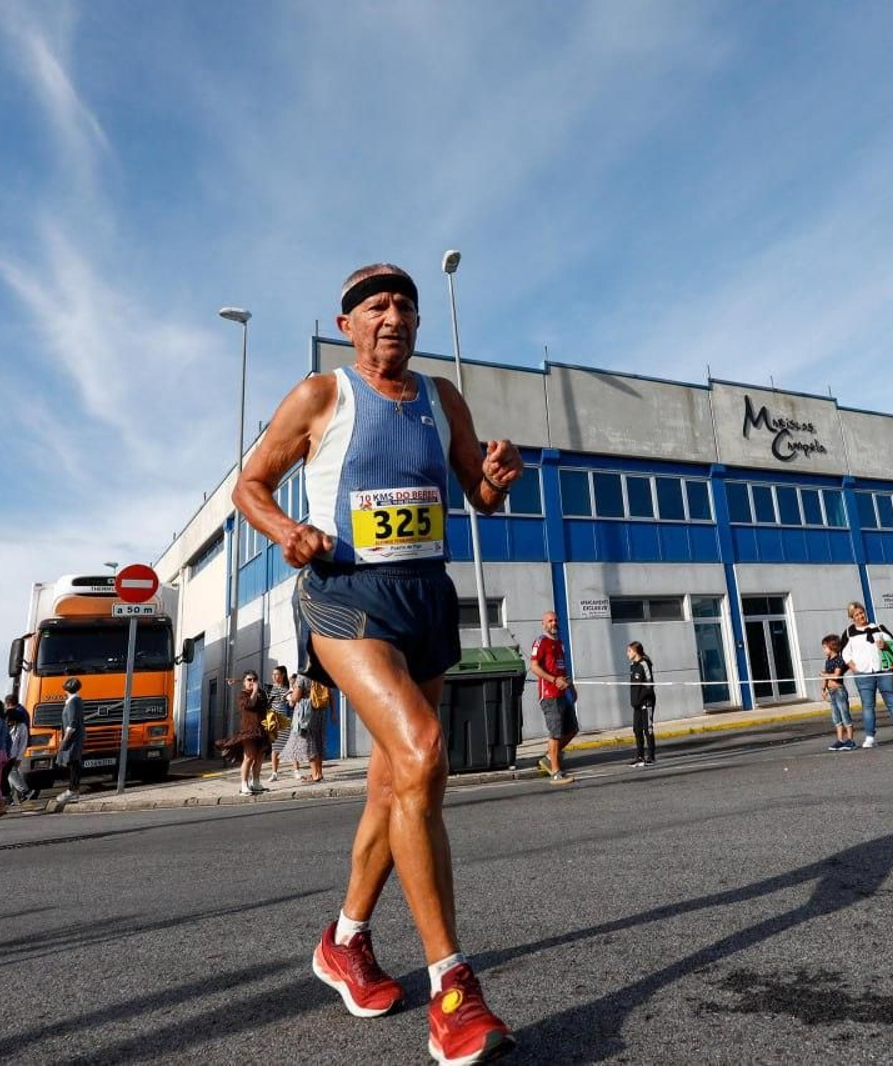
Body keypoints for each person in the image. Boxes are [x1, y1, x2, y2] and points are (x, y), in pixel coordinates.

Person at [233, 263, 520, 1064]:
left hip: (425, 597)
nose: (393, 315)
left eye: (405, 304)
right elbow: (250, 486)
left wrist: (496, 482)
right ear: (348, 322)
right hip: (345, 598)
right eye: (376, 306)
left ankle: (345, 942)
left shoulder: (441, 399)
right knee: (425, 748)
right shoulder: (321, 396)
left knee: (398, 780)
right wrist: (288, 532)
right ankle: (454, 989)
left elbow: (479, 494)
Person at [841, 602, 893, 747]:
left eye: (862, 613)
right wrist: (854, 668)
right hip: (863, 675)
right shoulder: (848, 633)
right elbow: (845, 654)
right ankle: (870, 737)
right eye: (856, 615)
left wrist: (885, 645)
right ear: (851, 617)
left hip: (884, 671)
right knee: (867, 706)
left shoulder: (879, 628)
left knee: (892, 702)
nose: (861, 616)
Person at [529, 611, 578, 784]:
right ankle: (555, 772)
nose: (554, 623)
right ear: (543, 624)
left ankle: (550, 757)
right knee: (555, 733)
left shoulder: (560, 643)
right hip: (549, 695)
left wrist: (571, 687)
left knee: (572, 729)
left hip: (562, 693)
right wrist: (553, 680)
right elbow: (534, 667)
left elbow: (562, 669)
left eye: (555, 620)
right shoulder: (540, 642)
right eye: (550, 621)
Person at [215, 672, 270, 795]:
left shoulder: (260, 693)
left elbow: (266, 704)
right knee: (249, 756)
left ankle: (255, 782)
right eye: (249, 680)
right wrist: (254, 690)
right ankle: (244, 784)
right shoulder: (242, 695)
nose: (252, 682)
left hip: (261, 729)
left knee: (260, 757)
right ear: (245, 682)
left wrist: (241, 681)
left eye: (255, 679)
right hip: (249, 730)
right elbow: (250, 704)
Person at [820, 635, 855, 751]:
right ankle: (840, 740)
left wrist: (824, 675)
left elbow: (836, 675)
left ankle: (850, 740)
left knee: (845, 715)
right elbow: (826, 676)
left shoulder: (839, 660)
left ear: (832, 647)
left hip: (839, 691)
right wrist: (823, 688)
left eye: (825, 647)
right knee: (836, 717)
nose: (823, 650)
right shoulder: (828, 660)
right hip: (831, 691)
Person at [277, 672, 313, 781]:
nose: (292, 684)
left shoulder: (297, 690)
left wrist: (289, 699)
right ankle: (303, 771)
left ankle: (300, 771)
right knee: (301, 743)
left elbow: (292, 702)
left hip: (297, 720)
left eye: (293, 682)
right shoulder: (307, 684)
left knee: (296, 744)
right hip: (298, 719)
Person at [626, 641, 657, 766]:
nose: (627, 653)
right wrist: (634, 701)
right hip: (637, 704)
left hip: (646, 702)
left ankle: (651, 756)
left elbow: (649, 684)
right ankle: (639, 756)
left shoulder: (644, 664)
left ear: (635, 651)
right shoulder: (633, 666)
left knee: (647, 729)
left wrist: (643, 699)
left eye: (629, 651)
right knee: (636, 729)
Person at [56, 677, 86, 803]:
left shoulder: (73, 702)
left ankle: (72, 790)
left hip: (73, 737)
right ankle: (74, 790)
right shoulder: (74, 700)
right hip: (75, 736)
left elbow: (72, 722)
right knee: (74, 762)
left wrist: (65, 739)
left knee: (73, 762)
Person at [266, 665, 297, 783]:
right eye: (273, 674)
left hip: (285, 721)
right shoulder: (270, 689)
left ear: (282, 675)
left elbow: (291, 704)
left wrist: (289, 697)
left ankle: (296, 771)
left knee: (291, 746)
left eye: (276, 674)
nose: (274, 676)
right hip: (273, 722)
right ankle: (274, 773)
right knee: (275, 748)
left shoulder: (287, 688)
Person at [3, 695, 33, 802]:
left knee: (11, 772)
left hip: (14, 752)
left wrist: (19, 757)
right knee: (13, 772)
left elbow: (21, 740)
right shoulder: (21, 711)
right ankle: (16, 795)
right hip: (13, 751)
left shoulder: (18, 715)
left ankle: (24, 791)